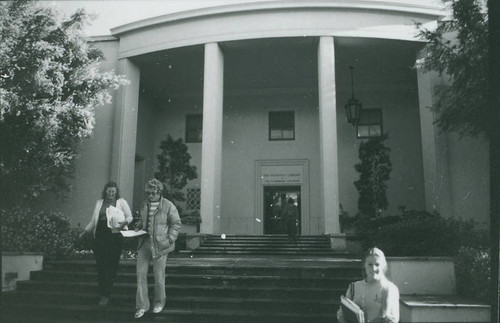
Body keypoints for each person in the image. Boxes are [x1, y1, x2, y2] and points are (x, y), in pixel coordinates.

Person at [134, 179, 181, 319]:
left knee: (158, 276)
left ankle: (159, 303)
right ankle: (142, 306)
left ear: (159, 192)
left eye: (153, 193)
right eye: (148, 193)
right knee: (140, 274)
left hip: (161, 245)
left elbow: (176, 223)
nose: (150, 195)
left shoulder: (168, 205)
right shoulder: (145, 204)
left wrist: (170, 239)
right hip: (145, 243)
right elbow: (144, 221)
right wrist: (137, 227)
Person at [79, 181, 132, 306]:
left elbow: (129, 217)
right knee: (101, 265)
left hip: (115, 236)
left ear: (116, 192)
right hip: (100, 236)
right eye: (109, 192)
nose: (111, 194)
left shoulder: (122, 202)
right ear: (105, 191)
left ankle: (106, 294)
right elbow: (93, 221)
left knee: (111, 265)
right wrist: (85, 231)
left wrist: (124, 223)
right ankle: (102, 292)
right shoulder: (99, 203)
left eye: (113, 192)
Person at [337, 247, 400, 323]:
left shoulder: (389, 288)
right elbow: (341, 312)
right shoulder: (354, 287)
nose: (373, 268)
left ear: (383, 266)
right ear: (364, 266)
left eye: (377, 264)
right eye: (370, 264)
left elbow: (393, 319)